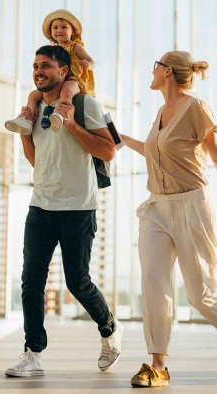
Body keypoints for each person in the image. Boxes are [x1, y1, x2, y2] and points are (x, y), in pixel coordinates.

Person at [4, 44, 123, 377]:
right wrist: (25, 133)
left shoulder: (85, 104)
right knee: (31, 280)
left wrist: (71, 125)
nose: (39, 71)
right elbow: (36, 160)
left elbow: (109, 151)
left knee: (78, 282)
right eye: (35, 66)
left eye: (45, 66)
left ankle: (110, 328)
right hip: (40, 206)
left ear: (63, 71)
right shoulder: (35, 107)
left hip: (77, 208)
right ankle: (33, 352)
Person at [121, 51, 217, 388]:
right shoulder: (161, 112)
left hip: (192, 204)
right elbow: (153, 151)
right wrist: (116, 137)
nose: (151, 68)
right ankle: (157, 365)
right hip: (157, 208)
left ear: (168, 72)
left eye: (155, 65)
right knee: (154, 284)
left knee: (201, 294)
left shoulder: (195, 108)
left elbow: (215, 153)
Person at [5, 9, 95, 134]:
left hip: (73, 80)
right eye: (55, 28)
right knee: (33, 95)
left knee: (67, 90)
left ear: (72, 31)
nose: (59, 30)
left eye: (64, 27)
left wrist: (87, 64)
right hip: (57, 81)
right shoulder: (53, 50)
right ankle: (27, 118)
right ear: (51, 32)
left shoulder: (75, 46)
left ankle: (61, 114)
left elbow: (91, 60)